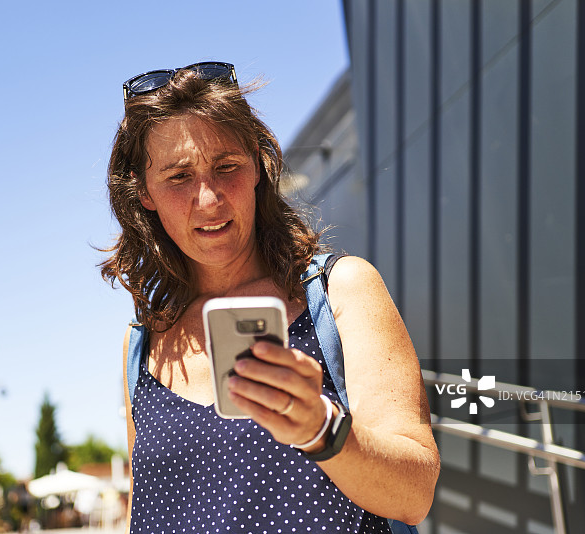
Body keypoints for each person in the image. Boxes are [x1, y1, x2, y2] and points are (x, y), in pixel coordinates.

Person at [101, 61, 439, 533]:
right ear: (143, 192)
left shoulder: (340, 290)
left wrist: (322, 429)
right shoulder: (141, 342)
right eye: (179, 177)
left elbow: (414, 493)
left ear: (258, 166)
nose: (209, 199)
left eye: (227, 167)